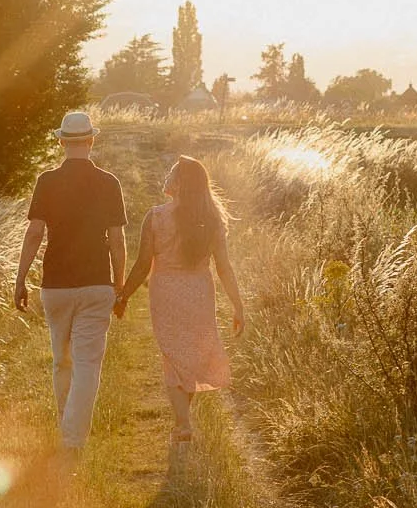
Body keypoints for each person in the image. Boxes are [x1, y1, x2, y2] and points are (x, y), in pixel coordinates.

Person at [13, 109, 127, 457]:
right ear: (91, 140)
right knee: (87, 364)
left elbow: (34, 234)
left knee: (62, 361)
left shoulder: (47, 181)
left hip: (55, 286)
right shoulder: (109, 182)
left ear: (62, 142)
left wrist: (20, 280)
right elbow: (117, 240)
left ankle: (67, 428)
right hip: (95, 285)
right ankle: (72, 440)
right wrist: (119, 285)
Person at [114, 154, 244, 444]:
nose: (166, 177)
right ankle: (182, 422)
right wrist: (238, 305)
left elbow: (143, 263)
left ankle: (183, 424)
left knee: (173, 354)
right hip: (199, 290)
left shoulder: (156, 216)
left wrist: (124, 295)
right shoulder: (211, 220)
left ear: (180, 183)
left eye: (172, 173)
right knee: (192, 353)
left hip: (167, 292)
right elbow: (223, 266)